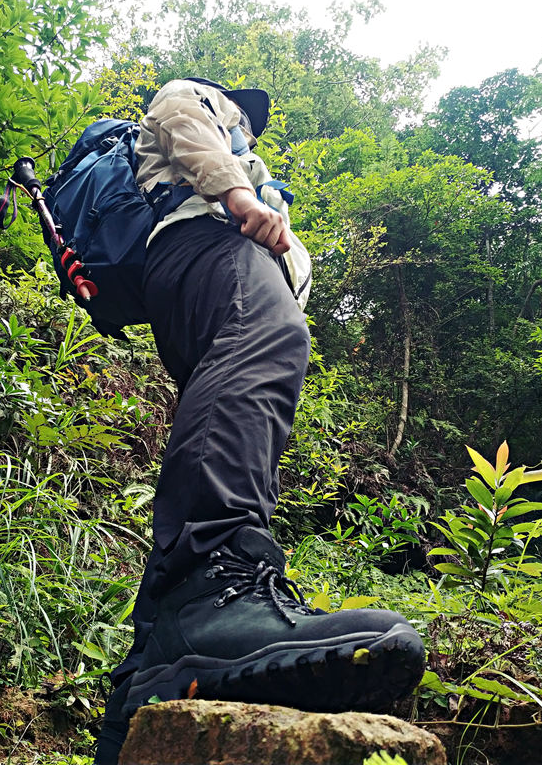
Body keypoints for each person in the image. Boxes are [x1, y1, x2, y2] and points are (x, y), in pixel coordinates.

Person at [93, 78, 425, 764]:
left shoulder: (249, 161)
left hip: (200, 270)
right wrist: (242, 199)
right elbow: (182, 119)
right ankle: (217, 583)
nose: (251, 123)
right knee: (269, 341)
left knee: (233, 412)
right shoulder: (200, 105)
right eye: (246, 114)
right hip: (204, 245)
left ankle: (146, 672)